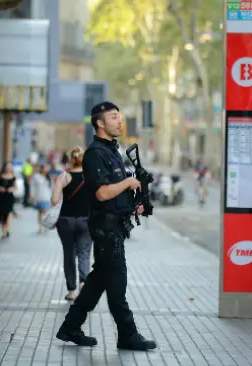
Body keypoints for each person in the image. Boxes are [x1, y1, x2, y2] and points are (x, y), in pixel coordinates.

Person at [55, 101, 157, 351]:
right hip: (105, 229)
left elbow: (115, 192)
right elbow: (101, 193)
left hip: (115, 227)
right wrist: (128, 184)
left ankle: (70, 327)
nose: (119, 121)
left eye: (119, 117)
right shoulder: (94, 154)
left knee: (96, 282)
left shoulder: (112, 152)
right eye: (113, 117)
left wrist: (134, 204)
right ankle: (127, 335)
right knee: (116, 284)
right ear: (100, 123)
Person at [50, 146, 92, 301]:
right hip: (86, 220)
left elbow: (54, 200)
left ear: (70, 159)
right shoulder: (90, 177)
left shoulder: (63, 177)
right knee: (84, 252)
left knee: (69, 254)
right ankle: (83, 281)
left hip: (65, 220)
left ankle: (71, 291)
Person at [0, 161, 17, 239]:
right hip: (1, 197)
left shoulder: (13, 176)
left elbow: (15, 187)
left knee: (9, 212)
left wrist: (12, 189)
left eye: (10, 166)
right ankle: (4, 231)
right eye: (7, 166)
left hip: (9, 197)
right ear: (4, 167)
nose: (9, 168)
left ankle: (7, 230)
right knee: (2, 215)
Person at [30, 163, 52, 233]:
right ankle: (40, 227)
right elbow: (32, 186)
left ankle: (45, 226)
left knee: (45, 212)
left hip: (47, 197)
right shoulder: (36, 176)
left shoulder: (48, 177)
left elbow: (51, 188)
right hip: (39, 196)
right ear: (42, 169)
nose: (46, 170)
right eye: (45, 168)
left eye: (47, 169)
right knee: (40, 212)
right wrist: (31, 195)